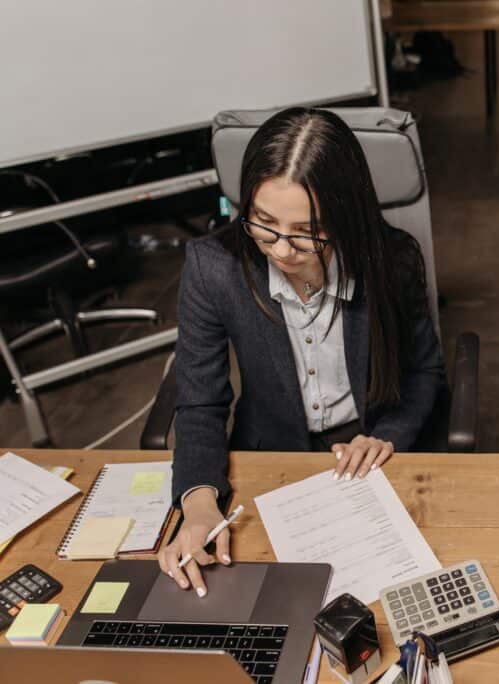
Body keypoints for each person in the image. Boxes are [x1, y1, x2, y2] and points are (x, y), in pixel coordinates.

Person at [161, 108, 445, 596]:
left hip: (369, 452)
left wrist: (387, 435)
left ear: (345, 216)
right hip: (268, 454)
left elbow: (425, 370)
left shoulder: (391, 259)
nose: (282, 250)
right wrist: (200, 503)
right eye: (263, 224)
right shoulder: (214, 268)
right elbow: (200, 400)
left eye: (307, 232)